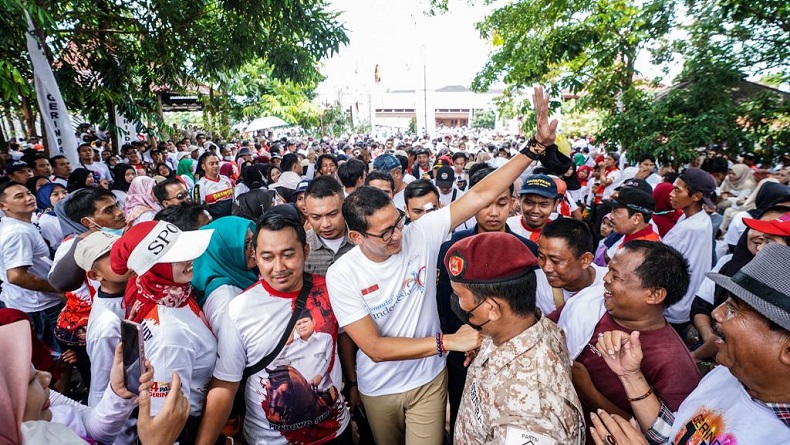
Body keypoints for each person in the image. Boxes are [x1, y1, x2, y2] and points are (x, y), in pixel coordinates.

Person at [326, 86, 558, 445]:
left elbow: (480, 194)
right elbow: (374, 347)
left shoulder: (421, 232)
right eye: (385, 234)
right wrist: (448, 342)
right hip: (380, 387)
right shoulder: (342, 274)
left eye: (399, 222)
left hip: (429, 381)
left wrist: (534, 149)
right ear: (356, 238)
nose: (398, 236)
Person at [592, 244, 790, 445]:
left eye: (733, 309)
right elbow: (675, 433)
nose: (716, 313)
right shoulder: (726, 375)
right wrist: (630, 375)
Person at [196, 211, 351, 445]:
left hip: (336, 433)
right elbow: (226, 383)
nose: (279, 267)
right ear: (255, 257)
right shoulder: (238, 309)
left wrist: (353, 385)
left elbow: (343, 340)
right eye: (267, 257)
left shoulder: (329, 291)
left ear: (305, 251)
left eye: (288, 255)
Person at [551, 241, 701, 444]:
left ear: (654, 294)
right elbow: (547, 327)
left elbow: (665, 436)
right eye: (608, 271)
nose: (605, 279)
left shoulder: (674, 364)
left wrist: (591, 395)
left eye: (616, 276)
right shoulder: (590, 300)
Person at [446, 232, 585, 444]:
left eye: (460, 295)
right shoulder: (528, 326)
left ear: (492, 308)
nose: (459, 303)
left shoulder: (529, 412)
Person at [435, 166, 539, 437]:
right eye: (486, 204)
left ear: (512, 203)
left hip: (514, 355)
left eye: (502, 203)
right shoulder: (452, 249)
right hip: (464, 352)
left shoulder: (527, 250)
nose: (493, 213)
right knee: (463, 413)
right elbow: (445, 308)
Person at [0, 319, 190, 445]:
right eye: (31, 379)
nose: (47, 378)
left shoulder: (44, 410)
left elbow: (91, 428)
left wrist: (118, 393)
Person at [110, 220, 217, 443]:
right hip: (189, 427)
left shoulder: (162, 294)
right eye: (174, 257)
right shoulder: (171, 336)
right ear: (153, 266)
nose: (189, 259)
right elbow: (163, 417)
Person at [0, 182, 64, 351]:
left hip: (29, 303)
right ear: (3, 205)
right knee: (58, 361)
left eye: (28, 193)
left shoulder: (20, 225)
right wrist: (58, 288)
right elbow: (16, 276)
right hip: (39, 307)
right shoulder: (17, 232)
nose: (29, 198)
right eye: (19, 196)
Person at [663, 167, 716, 330]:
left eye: (677, 190)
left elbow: (662, 261)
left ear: (696, 196)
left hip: (675, 304)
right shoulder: (700, 219)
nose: (671, 194)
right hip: (685, 303)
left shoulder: (689, 228)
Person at [191, 216, 259, 334]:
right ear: (222, 251)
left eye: (254, 242)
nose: (254, 250)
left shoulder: (238, 275)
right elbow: (231, 349)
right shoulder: (225, 299)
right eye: (247, 244)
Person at [536, 217, 606, 315]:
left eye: (556, 261)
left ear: (585, 260)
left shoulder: (609, 285)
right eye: (541, 257)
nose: (546, 268)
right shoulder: (536, 283)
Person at [303, 176, 355, 276]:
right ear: (306, 212)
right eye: (316, 217)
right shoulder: (300, 247)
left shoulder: (364, 241)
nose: (326, 224)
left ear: (344, 207)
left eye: (332, 214)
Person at [506, 174, 558, 243]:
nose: (535, 210)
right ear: (520, 200)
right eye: (529, 203)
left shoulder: (563, 234)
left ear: (555, 204)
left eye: (543, 205)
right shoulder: (506, 227)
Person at [196, 152, 235, 219]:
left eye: (217, 163)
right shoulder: (200, 185)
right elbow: (198, 210)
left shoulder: (226, 179)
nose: (216, 166)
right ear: (203, 166)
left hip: (231, 219)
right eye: (212, 164)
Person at [34, 182, 68, 253]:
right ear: (44, 198)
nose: (62, 196)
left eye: (65, 192)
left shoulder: (71, 212)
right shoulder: (47, 221)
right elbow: (56, 248)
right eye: (55, 194)